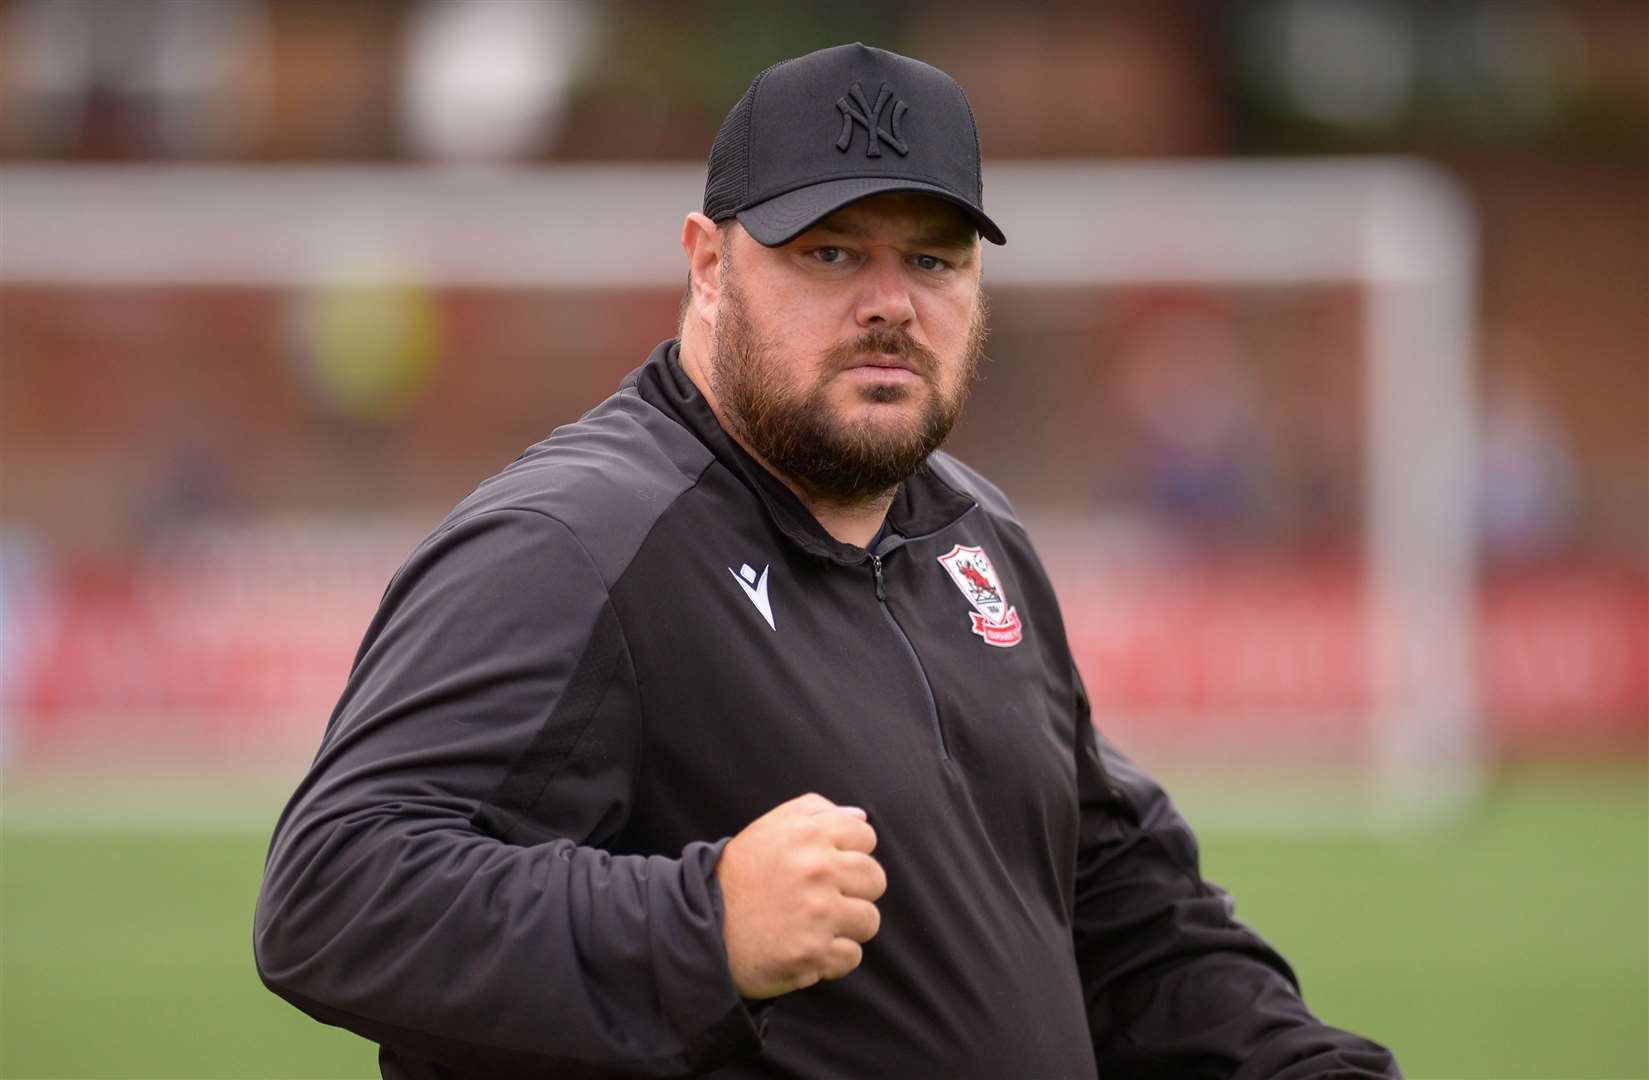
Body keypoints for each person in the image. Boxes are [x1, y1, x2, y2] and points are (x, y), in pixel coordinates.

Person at [255, 43, 1401, 1080]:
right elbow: (332, 894)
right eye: (831, 251)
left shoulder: (972, 535)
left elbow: (1119, 913)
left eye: (936, 261)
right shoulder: (578, 542)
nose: (891, 305)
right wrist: (700, 925)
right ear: (708, 264)